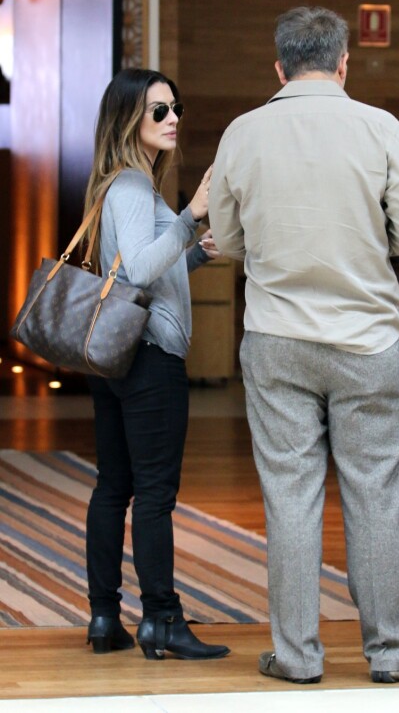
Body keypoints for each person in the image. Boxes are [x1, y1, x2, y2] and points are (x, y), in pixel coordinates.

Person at [208, 6, 399, 684]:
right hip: (366, 338)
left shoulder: (242, 132)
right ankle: (393, 651)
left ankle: (298, 655)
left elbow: (229, 238)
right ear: (344, 63)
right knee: (374, 493)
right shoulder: (380, 127)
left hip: (277, 338)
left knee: (289, 494)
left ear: (278, 68)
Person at [83, 67, 230, 661]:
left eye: (175, 108)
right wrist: (192, 214)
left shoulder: (116, 186)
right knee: (153, 493)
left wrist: (191, 254)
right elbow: (140, 271)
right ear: (129, 121)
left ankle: (103, 615)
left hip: (116, 357)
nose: (172, 120)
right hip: (149, 359)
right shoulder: (133, 189)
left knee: (114, 486)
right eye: (158, 111)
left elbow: (141, 271)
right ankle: (162, 620)